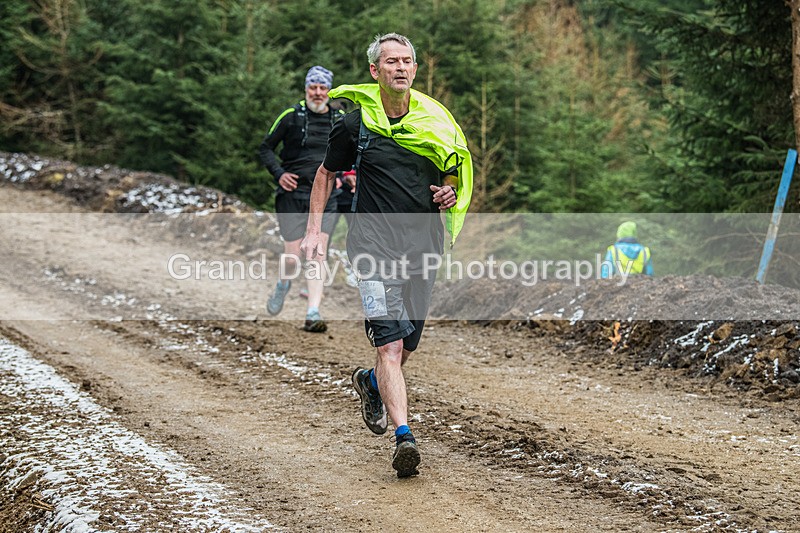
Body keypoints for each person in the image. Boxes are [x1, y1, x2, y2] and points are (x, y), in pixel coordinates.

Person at [301, 33, 472, 478]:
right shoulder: (355, 125)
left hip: (423, 247)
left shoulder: (436, 124)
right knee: (391, 345)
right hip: (372, 250)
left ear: (415, 70)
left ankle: (370, 381)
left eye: (408, 61)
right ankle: (404, 437)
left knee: (407, 344)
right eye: (391, 61)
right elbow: (325, 174)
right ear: (375, 71)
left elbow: (452, 173)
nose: (401, 67)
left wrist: (449, 191)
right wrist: (315, 231)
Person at [259, 65, 342, 333]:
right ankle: (284, 284)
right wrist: (280, 173)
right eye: (313, 88)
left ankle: (313, 312)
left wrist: (346, 174)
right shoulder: (291, 115)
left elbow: (355, 152)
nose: (318, 93)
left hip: (326, 196)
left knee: (317, 255)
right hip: (293, 195)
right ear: (306, 89)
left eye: (322, 88)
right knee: (293, 259)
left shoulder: (339, 118)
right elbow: (265, 148)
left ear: (329, 90)